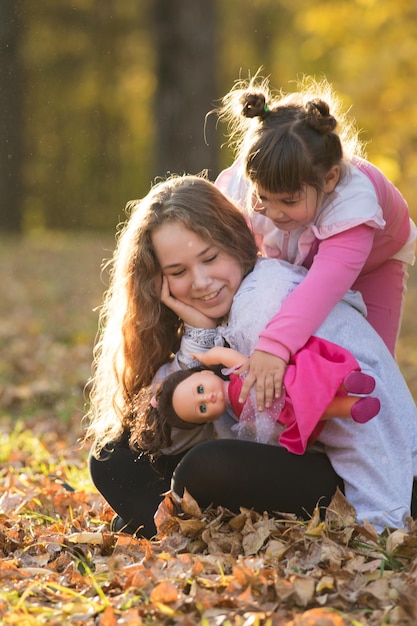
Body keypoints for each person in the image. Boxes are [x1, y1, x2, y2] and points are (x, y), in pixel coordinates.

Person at [84, 174, 417, 539]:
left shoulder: (264, 302)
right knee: (112, 456)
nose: (201, 282)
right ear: (158, 281)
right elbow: (167, 427)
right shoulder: (213, 314)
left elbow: (360, 418)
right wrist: (198, 335)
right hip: (294, 461)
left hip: (369, 469)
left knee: (205, 466)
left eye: (209, 258)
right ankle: (166, 523)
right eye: (178, 272)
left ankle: (158, 521)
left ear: (235, 241)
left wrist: (382, 517)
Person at [215, 75, 416, 410]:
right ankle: (299, 414)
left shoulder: (353, 202)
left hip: (373, 265)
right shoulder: (245, 186)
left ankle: (374, 424)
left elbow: (323, 286)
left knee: (373, 360)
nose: (274, 211)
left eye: (289, 201)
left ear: (330, 179)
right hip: (291, 252)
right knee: (293, 332)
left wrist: (274, 345)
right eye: (264, 197)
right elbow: (230, 254)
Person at [145, 343, 380, 455]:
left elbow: (229, 356)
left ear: (205, 373)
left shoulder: (235, 374)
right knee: (317, 410)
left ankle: (346, 381)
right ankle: (353, 408)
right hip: (284, 412)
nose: (208, 397)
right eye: (203, 407)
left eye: (200, 390)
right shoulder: (237, 416)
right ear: (209, 420)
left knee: (311, 380)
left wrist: (207, 356)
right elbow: (258, 429)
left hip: (282, 382)